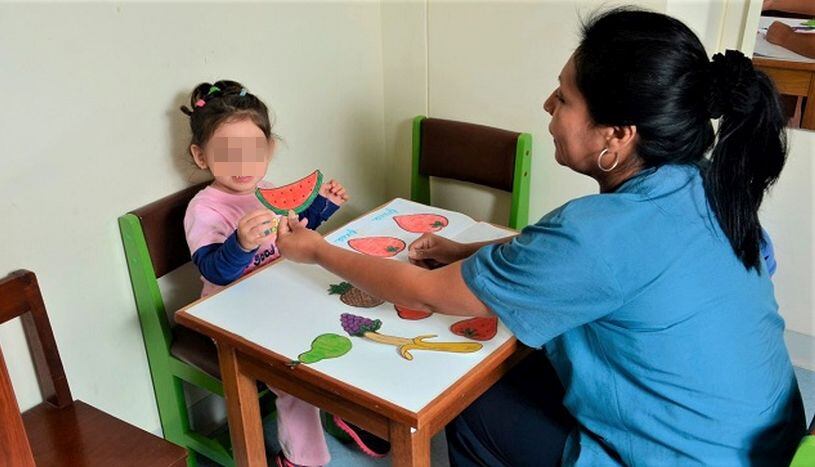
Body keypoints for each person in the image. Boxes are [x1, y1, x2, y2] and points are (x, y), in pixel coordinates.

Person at [276, 8, 806, 465]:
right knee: (513, 362)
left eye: (565, 98)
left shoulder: (599, 234)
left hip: (685, 456)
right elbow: (576, 259)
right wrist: (466, 250)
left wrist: (317, 250)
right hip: (765, 434)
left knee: (470, 406)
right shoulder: (708, 182)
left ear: (617, 134)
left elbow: (422, 292)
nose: (548, 106)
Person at [180, 80, 385, 466]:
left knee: (348, 318)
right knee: (295, 377)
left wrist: (323, 208)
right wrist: (239, 244)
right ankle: (299, 458)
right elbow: (214, 271)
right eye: (228, 154)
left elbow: (293, 228)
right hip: (231, 315)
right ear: (201, 155)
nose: (243, 166)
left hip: (278, 294)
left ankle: (347, 410)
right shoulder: (204, 209)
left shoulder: (268, 189)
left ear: (269, 150)